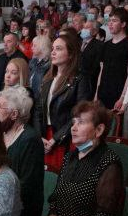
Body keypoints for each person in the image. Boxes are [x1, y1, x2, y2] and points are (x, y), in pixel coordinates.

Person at [43, 102, 124, 216]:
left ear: (99, 130)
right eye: (73, 122)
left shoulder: (110, 163)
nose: (73, 128)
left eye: (81, 122)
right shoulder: (69, 157)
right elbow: (55, 199)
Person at [36, 32, 94, 173]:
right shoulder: (48, 78)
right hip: (45, 137)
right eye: (53, 48)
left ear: (71, 54)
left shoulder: (80, 79)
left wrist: (56, 139)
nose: (53, 52)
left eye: (59, 49)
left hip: (65, 138)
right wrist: (40, 136)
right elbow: (38, 111)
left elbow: (79, 115)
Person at [0, 87, 45, 216]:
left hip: (21, 214)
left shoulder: (30, 140)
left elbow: (26, 186)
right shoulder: (0, 134)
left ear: (14, 114)